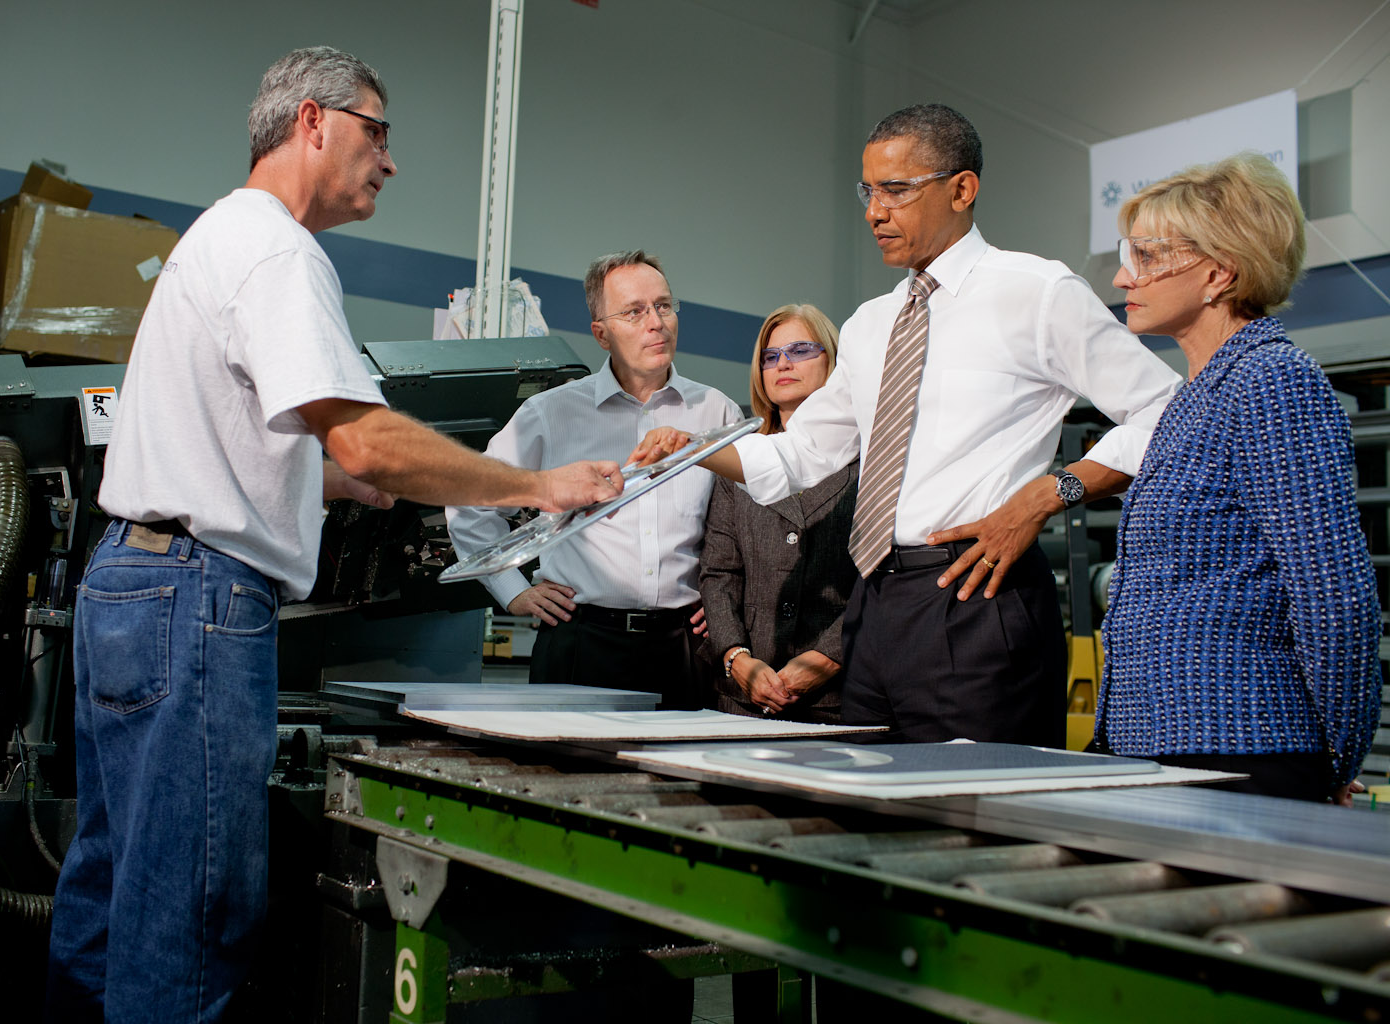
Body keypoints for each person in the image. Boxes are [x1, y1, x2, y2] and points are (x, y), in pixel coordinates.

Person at [44, 47, 621, 1022]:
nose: (389, 161)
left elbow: (248, 437)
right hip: (197, 599)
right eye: (378, 131)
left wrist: (336, 485)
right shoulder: (277, 249)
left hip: (127, 584)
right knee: (190, 910)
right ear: (314, 121)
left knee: (114, 888)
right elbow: (369, 434)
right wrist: (538, 482)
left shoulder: (217, 237)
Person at [633, 104, 1183, 747]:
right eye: (868, 191)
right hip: (875, 608)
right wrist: (696, 450)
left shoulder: (1036, 292)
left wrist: (1049, 493)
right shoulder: (872, 323)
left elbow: (1167, 410)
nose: (874, 210)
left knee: (973, 824)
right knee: (868, 821)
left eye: (897, 189)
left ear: (961, 189)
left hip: (977, 595)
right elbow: (801, 456)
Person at [1095, 153, 1381, 805]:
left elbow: (1334, 593)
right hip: (1163, 743)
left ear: (1219, 272)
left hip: (1240, 746)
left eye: (1145, 256)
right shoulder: (1196, 394)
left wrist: (1332, 758)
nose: (1121, 275)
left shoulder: (1272, 382)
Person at [446, 251, 741, 709]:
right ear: (601, 334)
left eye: (664, 306)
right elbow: (471, 502)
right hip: (581, 643)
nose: (656, 322)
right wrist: (513, 591)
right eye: (634, 311)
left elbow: (741, 529)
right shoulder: (549, 414)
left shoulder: (714, 412)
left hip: (686, 646)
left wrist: (726, 605)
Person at [699, 304, 858, 722]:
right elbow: (719, 574)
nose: (782, 363)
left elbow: (878, 582)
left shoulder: (870, 462)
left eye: (801, 350)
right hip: (744, 696)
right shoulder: (740, 461)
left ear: (834, 362)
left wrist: (827, 658)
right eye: (770, 356)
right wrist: (736, 658)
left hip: (839, 696)